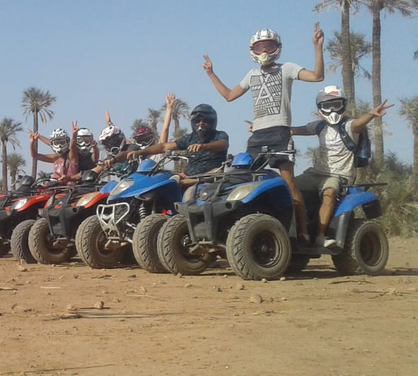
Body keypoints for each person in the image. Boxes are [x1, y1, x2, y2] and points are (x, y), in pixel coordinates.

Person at [202, 24, 325, 244]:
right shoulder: (251, 75)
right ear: (253, 50)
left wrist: (317, 47)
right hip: (257, 135)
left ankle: (304, 233)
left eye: (269, 46)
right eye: (259, 47)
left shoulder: (287, 68)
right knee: (243, 179)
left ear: (277, 48)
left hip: (280, 132)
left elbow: (317, 76)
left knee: (289, 183)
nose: (264, 52)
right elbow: (230, 96)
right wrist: (211, 73)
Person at [291, 86, 392, 248]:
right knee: (287, 188)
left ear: (343, 105)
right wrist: (264, 129)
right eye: (327, 106)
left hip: (338, 175)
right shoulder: (319, 127)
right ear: (320, 109)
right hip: (315, 173)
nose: (332, 110)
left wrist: (371, 115)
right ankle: (300, 233)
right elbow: (295, 130)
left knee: (329, 193)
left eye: (336, 105)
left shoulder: (349, 126)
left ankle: (320, 236)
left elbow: (359, 122)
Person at [126, 104, 229, 186]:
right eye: (197, 121)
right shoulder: (189, 138)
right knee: (161, 180)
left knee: (216, 172)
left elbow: (223, 144)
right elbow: (164, 146)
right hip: (187, 175)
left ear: (212, 122)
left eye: (205, 121)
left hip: (209, 177)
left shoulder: (220, 135)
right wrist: (140, 152)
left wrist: (204, 147)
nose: (200, 123)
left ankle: (185, 184)